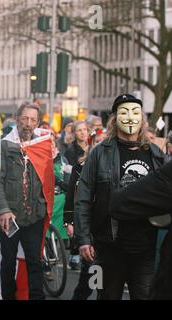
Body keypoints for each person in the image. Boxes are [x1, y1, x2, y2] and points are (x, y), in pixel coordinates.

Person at [74, 94, 165, 300]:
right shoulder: (100, 152)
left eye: (136, 113)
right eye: (124, 112)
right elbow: (84, 197)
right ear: (115, 119)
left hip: (146, 248)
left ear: (142, 119)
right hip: (108, 247)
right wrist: (83, 239)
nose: (130, 118)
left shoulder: (155, 154)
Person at [0, 104, 50, 300]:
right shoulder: (1, 146)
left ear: (37, 123)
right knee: (8, 263)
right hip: (10, 218)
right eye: (24, 118)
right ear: (17, 119)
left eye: (32, 120)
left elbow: (48, 177)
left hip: (34, 217)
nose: (28, 124)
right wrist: (3, 210)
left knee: (34, 262)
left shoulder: (43, 146)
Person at [110, 160, 172, 299]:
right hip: (114, 245)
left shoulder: (155, 154)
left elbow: (120, 202)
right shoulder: (100, 153)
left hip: (144, 252)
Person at [63, 128, 106, 299]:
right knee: (89, 275)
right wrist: (69, 221)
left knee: (104, 279)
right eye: (97, 142)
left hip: (106, 226)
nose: (101, 145)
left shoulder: (113, 165)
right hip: (87, 225)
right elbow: (72, 196)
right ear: (91, 144)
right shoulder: (80, 167)